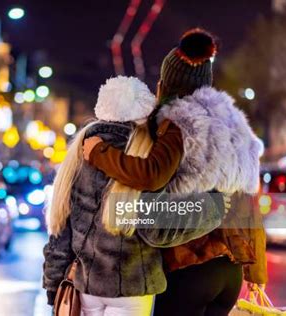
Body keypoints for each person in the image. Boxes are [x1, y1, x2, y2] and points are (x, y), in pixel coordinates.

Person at [83, 28, 267, 316]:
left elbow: (151, 174)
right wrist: (257, 273)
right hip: (228, 271)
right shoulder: (235, 127)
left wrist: (98, 152)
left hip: (188, 268)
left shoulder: (177, 122)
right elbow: (248, 206)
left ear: (167, 84)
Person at [42, 75, 224, 316]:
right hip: (133, 290)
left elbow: (60, 233)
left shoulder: (78, 155)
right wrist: (213, 209)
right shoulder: (146, 158)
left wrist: (53, 284)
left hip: (86, 287)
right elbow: (157, 231)